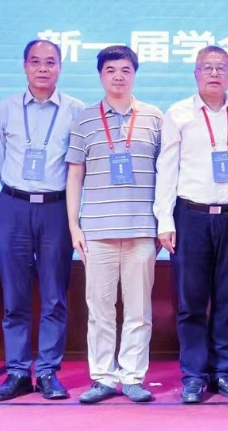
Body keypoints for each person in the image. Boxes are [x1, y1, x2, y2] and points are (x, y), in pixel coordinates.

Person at [0, 39, 85, 402]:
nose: (43, 68)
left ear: (60, 67)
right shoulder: (5, 109)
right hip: (13, 205)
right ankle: (16, 372)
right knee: (14, 296)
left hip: (55, 208)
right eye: (35, 61)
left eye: (50, 62)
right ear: (24, 66)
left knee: (54, 296)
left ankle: (46, 372)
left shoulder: (76, 111)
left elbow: (77, 166)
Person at [154, 46, 228, 404]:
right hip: (191, 216)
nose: (214, 73)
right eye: (207, 67)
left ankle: (223, 372)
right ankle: (194, 376)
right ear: (195, 73)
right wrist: (164, 219)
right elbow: (167, 168)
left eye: (221, 68)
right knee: (191, 301)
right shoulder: (179, 113)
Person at [67, 46, 163, 404]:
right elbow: (75, 174)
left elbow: (165, 173)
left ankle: (133, 376)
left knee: (139, 310)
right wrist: (74, 226)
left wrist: (162, 223)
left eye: (125, 69)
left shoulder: (154, 117)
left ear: (134, 74)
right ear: (100, 75)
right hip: (97, 231)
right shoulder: (84, 119)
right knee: (100, 311)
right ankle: (104, 378)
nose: (118, 76)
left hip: (141, 229)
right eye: (110, 70)